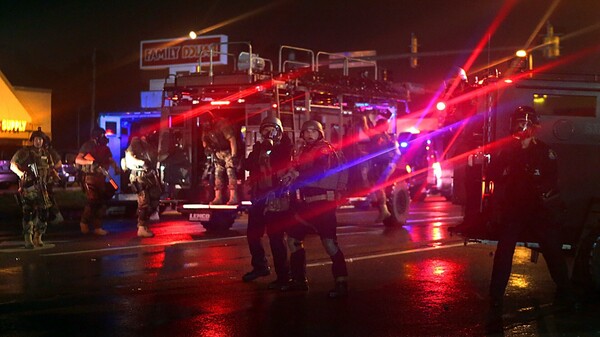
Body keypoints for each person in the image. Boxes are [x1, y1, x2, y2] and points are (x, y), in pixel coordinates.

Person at [487, 106, 573, 308]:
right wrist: (506, 171)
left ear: (533, 127)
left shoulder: (544, 151)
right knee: (504, 251)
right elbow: (494, 174)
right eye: (517, 124)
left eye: (523, 124)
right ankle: (495, 295)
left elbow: (552, 179)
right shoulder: (508, 152)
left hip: (538, 210)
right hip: (515, 208)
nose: (520, 129)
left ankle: (566, 291)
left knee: (552, 249)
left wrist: (537, 177)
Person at [285, 120, 349, 298]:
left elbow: (319, 170)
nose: (310, 134)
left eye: (313, 131)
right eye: (306, 131)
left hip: (322, 204)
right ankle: (298, 280)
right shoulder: (304, 151)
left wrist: (297, 173)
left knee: (329, 244)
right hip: (305, 204)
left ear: (320, 133)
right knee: (293, 240)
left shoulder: (323, 150)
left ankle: (341, 282)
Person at [242, 116, 294, 290]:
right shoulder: (259, 147)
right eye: (265, 129)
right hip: (259, 196)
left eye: (272, 129)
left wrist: (272, 149)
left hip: (277, 196)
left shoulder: (286, 148)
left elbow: (282, 163)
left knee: (276, 237)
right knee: (253, 234)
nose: (268, 133)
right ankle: (260, 266)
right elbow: (247, 165)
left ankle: (283, 276)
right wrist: (260, 150)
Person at [10, 127, 58, 248]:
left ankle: (38, 236)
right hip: (29, 187)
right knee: (28, 212)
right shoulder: (25, 152)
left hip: (43, 187)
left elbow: (51, 167)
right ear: (33, 140)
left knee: (44, 213)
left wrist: (54, 175)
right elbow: (13, 165)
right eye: (37, 139)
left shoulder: (45, 153)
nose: (39, 142)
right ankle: (28, 238)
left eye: (41, 139)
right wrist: (21, 174)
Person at [75, 127, 120, 235]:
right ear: (96, 136)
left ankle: (97, 227)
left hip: (101, 178)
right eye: (102, 136)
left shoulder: (105, 148)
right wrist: (91, 163)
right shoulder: (88, 145)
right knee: (92, 201)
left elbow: (110, 160)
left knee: (101, 203)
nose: (104, 138)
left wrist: (116, 168)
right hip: (90, 178)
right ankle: (84, 223)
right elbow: (78, 159)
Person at [125, 129, 161, 238]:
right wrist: (141, 163)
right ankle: (141, 227)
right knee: (144, 202)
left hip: (150, 177)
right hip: (139, 176)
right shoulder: (136, 143)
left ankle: (144, 225)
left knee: (154, 201)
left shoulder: (151, 146)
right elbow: (129, 158)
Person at [201, 112, 240, 205]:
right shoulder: (206, 129)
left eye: (206, 122)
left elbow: (232, 139)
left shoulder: (222, 124)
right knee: (217, 174)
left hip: (228, 151)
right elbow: (204, 141)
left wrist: (234, 155)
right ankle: (218, 197)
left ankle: (233, 197)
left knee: (230, 173)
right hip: (217, 153)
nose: (205, 124)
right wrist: (208, 148)